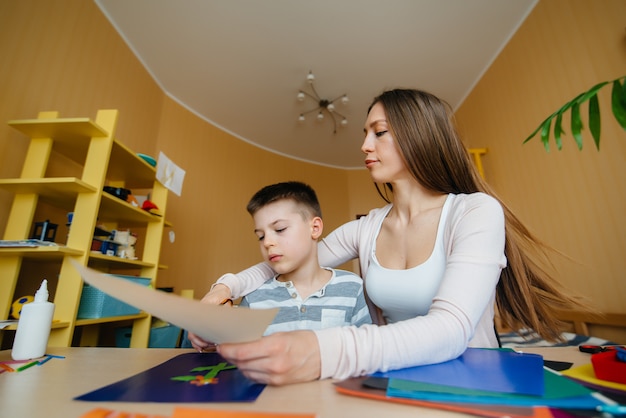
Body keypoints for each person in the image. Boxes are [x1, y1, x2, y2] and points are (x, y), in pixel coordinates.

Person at [188, 88, 589, 386]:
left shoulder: (475, 212)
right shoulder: (366, 228)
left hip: (473, 382)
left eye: (379, 132)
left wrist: (324, 350)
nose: (364, 145)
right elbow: (290, 260)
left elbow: (450, 330)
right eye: (365, 133)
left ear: (419, 135)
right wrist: (223, 289)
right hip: (392, 379)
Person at [188, 181, 371, 345]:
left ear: (314, 228)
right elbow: (235, 351)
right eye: (261, 236)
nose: (267, 242)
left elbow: (366, 351)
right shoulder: (254, 298)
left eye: (280, 229)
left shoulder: (352, 288)